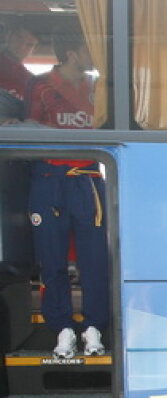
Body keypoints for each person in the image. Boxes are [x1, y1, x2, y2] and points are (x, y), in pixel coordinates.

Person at [26, 29, 108, 359]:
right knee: (52, 259)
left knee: (95, 261)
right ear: (74, 54)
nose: (96, 55)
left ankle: (94, 328)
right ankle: (61, 329)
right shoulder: (42, 85)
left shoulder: (98, 88)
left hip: (88, 177)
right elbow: (29, 129)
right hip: (49, 177)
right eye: (89, 49)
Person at [0, 21, 36, 104]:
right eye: (19, 38)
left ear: (33, 50)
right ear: (8, 36)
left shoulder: (30, 81)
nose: (22, 46)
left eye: (29, 45)